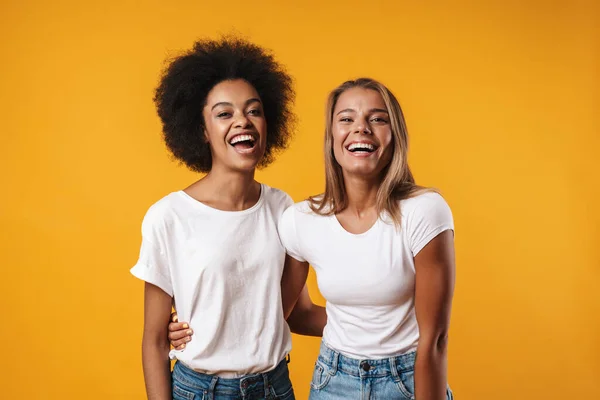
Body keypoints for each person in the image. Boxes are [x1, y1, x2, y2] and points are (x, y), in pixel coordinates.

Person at [171, 77, 456, 400]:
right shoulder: (302, 219)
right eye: (346, 119)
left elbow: (435, 338)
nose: (361, 128)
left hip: (406, 378)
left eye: (377, 119)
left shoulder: (424, 211)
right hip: (334, 380)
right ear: (332, 137)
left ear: (395, 135)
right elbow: (285, 312)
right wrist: (199, 323)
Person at [131, 36, 323, 400]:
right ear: (202, 130)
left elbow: (297, 314)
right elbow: (155, 339)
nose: (243, 122)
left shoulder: (283, 209)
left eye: (254, 110)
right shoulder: (169, 216)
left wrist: (384, 321)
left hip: (274, 388)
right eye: (224, 113)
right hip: (201, 390)